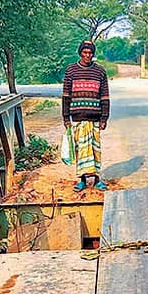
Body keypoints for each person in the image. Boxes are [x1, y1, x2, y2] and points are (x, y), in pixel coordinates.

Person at [62, 40, 110, 191]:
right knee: (81, 149)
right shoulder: (71, 70)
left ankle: (96, 179)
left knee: (95, 149)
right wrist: (65, 117)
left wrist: (104, 118)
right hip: (77, 117)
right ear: (80, 53)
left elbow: (104, 96)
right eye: (85, 52)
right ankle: (82, 180)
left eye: (90, 53)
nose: (87, 55)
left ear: (93, 54)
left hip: (95, 117)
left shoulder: (100, 72)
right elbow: (66, 96)